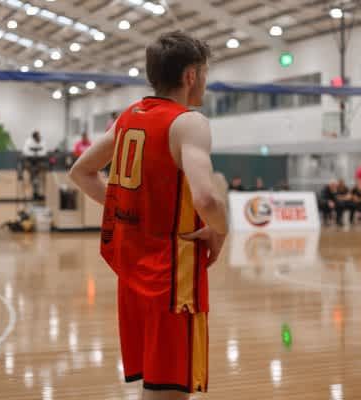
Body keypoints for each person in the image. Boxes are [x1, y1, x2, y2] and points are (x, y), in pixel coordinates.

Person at [69, 31, 228, 399]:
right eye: (204, 73)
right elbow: (206, 198)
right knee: (169, 391)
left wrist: (128, 209)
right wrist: (221, 229)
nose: (205, 81)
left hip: (132, 273)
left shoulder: (129, 117)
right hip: (171, 276)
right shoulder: (189, 123)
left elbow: (81, 172)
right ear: (191, 76)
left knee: (155, 386)